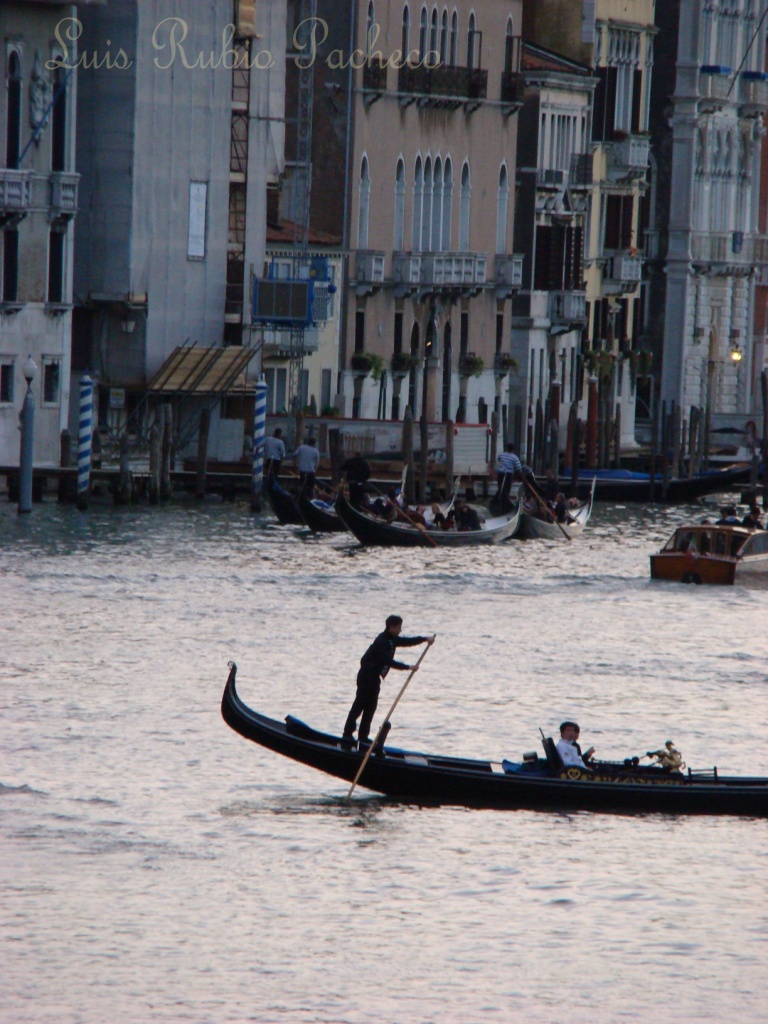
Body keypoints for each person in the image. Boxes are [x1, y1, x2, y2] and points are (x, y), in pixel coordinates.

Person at [342, 616, 436, 746]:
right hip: (366, 676)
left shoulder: (392, 639)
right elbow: (388, 661)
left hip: (375, 678)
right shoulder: (382, 641)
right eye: (398, 627)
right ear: (391, 627)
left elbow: (406, 641)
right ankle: (347, 734)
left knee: (371, 707)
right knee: (359, 705)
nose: (400, 630)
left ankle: (363, 737)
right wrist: (408, 667)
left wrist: (425, 639)